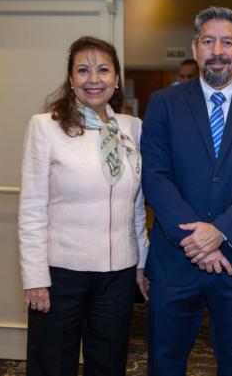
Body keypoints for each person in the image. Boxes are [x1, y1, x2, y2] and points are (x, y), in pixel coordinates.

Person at [141, 6, 232, 376]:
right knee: (164, 364)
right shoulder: (163, 104)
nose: (217, 51)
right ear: (195, 48)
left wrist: (219, 232)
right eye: (208, 41)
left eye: (227, 42)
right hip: (176, 260)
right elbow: (155, 176)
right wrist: (196, 239)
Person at [18, 36, 149, 376]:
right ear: (71, 79)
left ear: (116, 79)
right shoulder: (46, 127)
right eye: (83, 70)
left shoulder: (132, 129)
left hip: (118, 272)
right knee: (52, 366)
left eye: (103, 70)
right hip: (61, 273)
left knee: (108, 366)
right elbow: (32, 208)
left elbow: (136, 204)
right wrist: (35, 277)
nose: (94, 79)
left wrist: (141, 263)